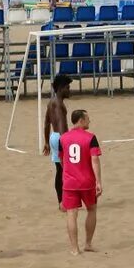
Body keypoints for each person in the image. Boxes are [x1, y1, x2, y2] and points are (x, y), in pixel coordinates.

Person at [59, 109, 102, 255]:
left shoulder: (63, 138)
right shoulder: (90, 138)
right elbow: (95, 160)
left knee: (71, 214)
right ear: (81, 121)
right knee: (92, 209)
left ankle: (74, 249)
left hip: (69, 182)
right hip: (86, 182)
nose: (90, 121)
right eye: (88, 119)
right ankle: (88, 243)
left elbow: (61, 159)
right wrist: (99, 181)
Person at [43, 74, 73, 209]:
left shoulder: (51, 102)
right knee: (65, 172)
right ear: (61, 88)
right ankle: (64, 201)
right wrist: (66, 142)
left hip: (54, 137)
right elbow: (61, 124)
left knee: (59, 171)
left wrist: (46, 141)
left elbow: (46, 123)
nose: (69, 90)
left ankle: (61, 201)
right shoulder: (59, 104)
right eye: (67, 87)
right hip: (61, 138)